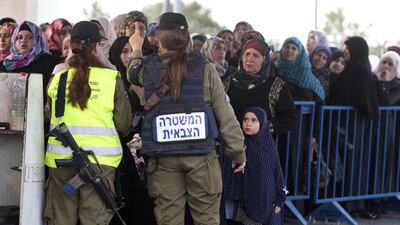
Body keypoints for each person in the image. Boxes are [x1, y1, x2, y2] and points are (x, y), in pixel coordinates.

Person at [127, 12, 246, 225]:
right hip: (201, 157)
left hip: (163, 160)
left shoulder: (148, 68)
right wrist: (238, 152)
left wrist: (136, 48)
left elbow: (132, 73)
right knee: (207, 219)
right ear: (186, 36)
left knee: (168, 219)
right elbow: (225, 114)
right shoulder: (205, 67)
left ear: (159, 37)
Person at [43, 21, 132, 225]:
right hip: (101, 165)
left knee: (61, 220)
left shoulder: (57, 77)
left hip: (61, 163)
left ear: (71, 44)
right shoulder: (111, 77)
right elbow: (124, 124)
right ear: (98, 45)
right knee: (94, 220)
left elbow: (47, 115)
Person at [224, 106, 286, 225]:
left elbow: (281, 179)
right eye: (245, 119)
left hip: (267, 206)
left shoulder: (269, 147)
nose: (248, 123)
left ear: (262, 123)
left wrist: (280, 200)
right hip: (242, 208)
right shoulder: (239, 145)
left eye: (254, 120)